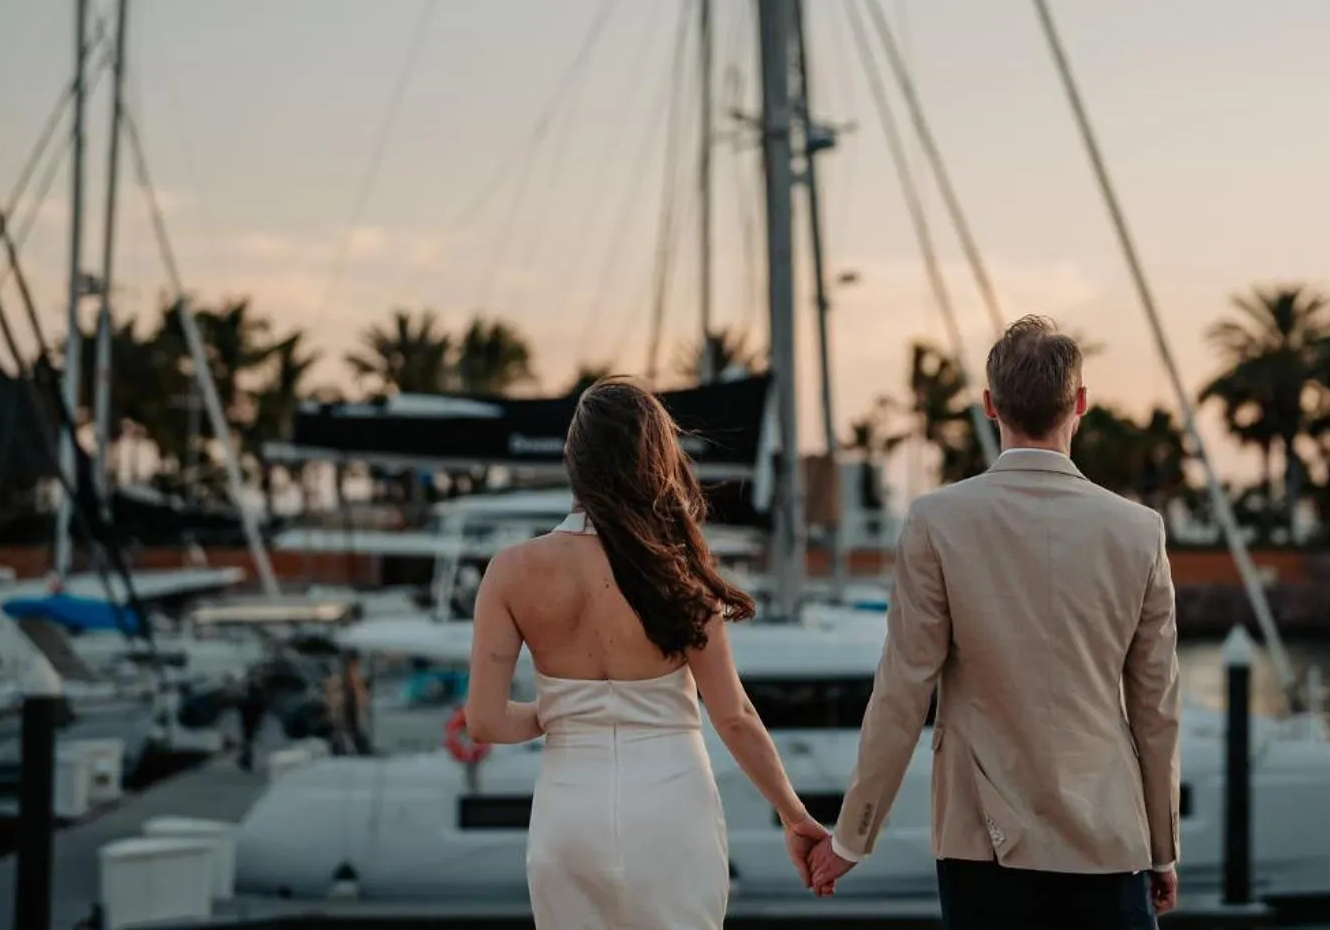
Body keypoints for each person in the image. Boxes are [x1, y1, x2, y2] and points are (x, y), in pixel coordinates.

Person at [807, 315, 1183, 929]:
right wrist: (1163, 851)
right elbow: (1156, 710)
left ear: (990, 405)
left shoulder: (937, 521)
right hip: (1111, 842)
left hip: (982, 846)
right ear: (1080, 403)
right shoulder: (1139, 531)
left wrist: (851, 839)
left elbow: (902, 693)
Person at [463, 378, 827, 929]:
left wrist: (561, 712)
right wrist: (793, 815)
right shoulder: (678, 573)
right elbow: (734, 717)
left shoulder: (511, 571)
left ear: (572, 460)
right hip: (672, 810)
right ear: (656, 460)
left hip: (568, 814)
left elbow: (485, 721)